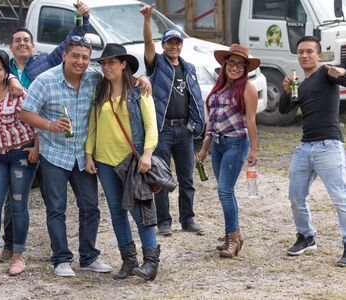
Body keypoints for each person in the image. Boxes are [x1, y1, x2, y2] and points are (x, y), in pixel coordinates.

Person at [0, 2, 91, 263]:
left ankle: (63, 252)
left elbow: (72, 46)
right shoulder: (3, 69)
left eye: (27, 40)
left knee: (53, 201)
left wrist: (83, 20)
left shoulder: (43, 64)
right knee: (14, 197)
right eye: (17, 40)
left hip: (42, 140)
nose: (22, 44)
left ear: (33, 45)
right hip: (13, 141)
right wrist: (10, 79)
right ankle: (11, 244)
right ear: (10, 46)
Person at [19, 36, 113, 277]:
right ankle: (61, 259)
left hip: (83, 155)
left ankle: (89, 257)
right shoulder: (46, 81)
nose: (80, 61)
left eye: (85, 57)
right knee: (56, 209)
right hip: (54, 155)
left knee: (91, 207)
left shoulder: (94, 77)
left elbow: (119, 79)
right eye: (75, 56)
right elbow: (26, 113)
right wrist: (50, 125)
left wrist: (143, 79)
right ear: (64, 55)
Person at [85, 43, 160, 281]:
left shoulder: (139, 90)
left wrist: (147, 154)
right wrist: (89, 154)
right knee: (117, 213)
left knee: (140, 211)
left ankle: (151, 262)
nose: (107, 67)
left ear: (123, 64)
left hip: (132, 160)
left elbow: (151, 126)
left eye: (112, 62)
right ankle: (129, 260)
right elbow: (93, 126)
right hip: (105, 161)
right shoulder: (100, 90)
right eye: (104, 63)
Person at [280, 36, 346, 267]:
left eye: (309, 51)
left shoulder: (327, 73)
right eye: (300, 52)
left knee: (340, 198)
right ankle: (306, 237)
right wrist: (286, 90)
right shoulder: (301, 83)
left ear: (319, 55)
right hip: (304, 146)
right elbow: (284, 109)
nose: (304, 55)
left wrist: (342, 74)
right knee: (296, 196)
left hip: (329, 145)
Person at [141, 5, 205, 236]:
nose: (174, 46)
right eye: (169, 43)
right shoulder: (157, 63)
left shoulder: (189, 68)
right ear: (163, 45)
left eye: (177, 43)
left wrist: (198, 124)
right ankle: (164, 221)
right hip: (163, 129)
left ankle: (188, 219)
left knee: (187, 178)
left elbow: (195, 98)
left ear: (181, 45)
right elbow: (147, 44)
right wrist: (148, 20)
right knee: (161, 176)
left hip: (184, 130)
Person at [0, 50, 39, 276]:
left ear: (6, 72)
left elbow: (35, 113)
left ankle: (18, 256)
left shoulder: (17, 91)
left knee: (18, 205)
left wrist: (37, 147)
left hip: (22, 153)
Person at [197, 44, 260, 258]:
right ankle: (233, 236)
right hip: (218, 144)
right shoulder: (219, 88)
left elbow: (251, 120)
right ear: (225, 65)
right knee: (223, 191)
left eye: (239, 65)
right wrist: (204, 149)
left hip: (236, 143)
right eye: (230, 63)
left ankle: (233, 239)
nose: (234, 68)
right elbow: (211, 122)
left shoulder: (247, 89)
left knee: (225, 190)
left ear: (245, 68)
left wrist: (254, 149)